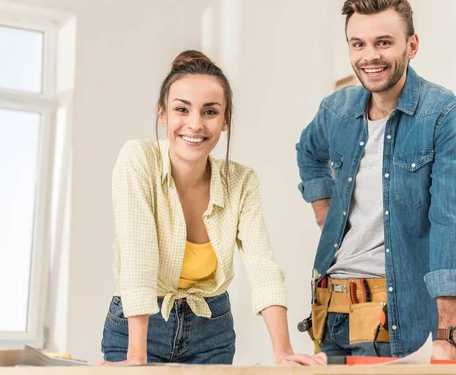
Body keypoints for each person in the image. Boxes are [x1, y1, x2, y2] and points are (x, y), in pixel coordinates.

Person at [100, 50, 326, 366]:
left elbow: (262, 265)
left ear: (225, 121)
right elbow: (138, 256)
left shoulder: (241, 180)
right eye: (182, 109)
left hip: (211, 333)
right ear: (162, 114)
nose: (195, 124)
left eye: (209, 112)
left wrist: (284, 352)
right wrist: (136, 356)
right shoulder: (138, 159)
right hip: (138, 329)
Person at [296, 0, 456, 359]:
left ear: (411, 46)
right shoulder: (337, 109)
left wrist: (449, 339)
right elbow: (308, 151)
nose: (369, 56)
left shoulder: (443, 115)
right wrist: (324, 210)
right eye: (358, 44)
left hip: (387, 312)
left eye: (383, 42)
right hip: (328, 308)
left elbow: (451, 225)